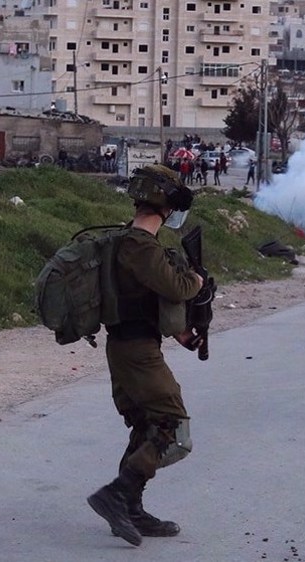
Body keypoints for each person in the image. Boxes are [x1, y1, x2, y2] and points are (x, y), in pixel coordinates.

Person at [86, 164, 205, 547]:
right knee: (171, 425)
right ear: (166, 207)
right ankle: (117, 495)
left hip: (130, 345)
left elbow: (148, 301)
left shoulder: (127, 242)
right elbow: (175, 286)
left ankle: (131, 508)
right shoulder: (140, 245)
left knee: (145, 424)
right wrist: (197, 281)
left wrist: (182, 333)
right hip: (135, 351)